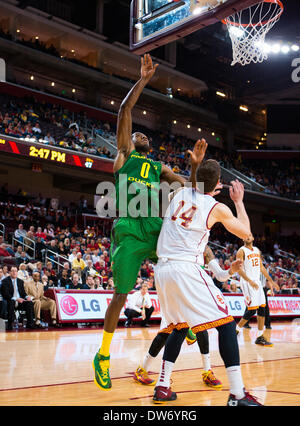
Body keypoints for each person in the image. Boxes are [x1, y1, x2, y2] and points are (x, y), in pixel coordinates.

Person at [93, 53, 207, 391]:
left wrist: (197, 165)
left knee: (185, 263)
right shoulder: (125, 156)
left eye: (144, 134)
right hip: (128, 228)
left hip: (154, 226)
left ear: (151, 145)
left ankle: (185, 321)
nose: (138, 133)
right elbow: (125, 111)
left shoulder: (158, 169)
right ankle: (102, 355)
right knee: (121, 294)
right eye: (135, 133)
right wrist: (143, 80)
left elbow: (191, 188)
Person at [152, 161, 262, 406]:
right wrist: (238, 201)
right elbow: (246, 233)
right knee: (226, 323)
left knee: (180, 327)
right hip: (185, 268)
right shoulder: (216, 207)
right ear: (218, 183)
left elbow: (191, 187)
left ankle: (162, 385)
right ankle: (237, 394)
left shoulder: (178, 192)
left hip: (162, 270)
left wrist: (200, 176)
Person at [134, 245, 242, 388]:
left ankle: (207, 371)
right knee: (167, 331)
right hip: (173, 280)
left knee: (201, 326)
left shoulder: (203, 245)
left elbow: (221, 275)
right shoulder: (172, 233)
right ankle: (144, 370)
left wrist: (230, 271)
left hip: (192, 286)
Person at [235, 235, 276, 346]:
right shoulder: (241, 251)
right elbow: (238, 269)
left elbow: (261, 267)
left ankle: (259, 337)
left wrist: (271, 280)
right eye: (245, 235)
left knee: (262, 307)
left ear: (253, 238)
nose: (247, 236)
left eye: (249, 235)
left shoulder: (257, 250)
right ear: (243, 239)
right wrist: (249, 281)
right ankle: (236, 330)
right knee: (252, 309)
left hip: (256, 282)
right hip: (247, 282)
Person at [0, 266, 35, 330]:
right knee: (11, 302)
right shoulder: (5, 281)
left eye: (15, 271)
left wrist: (27, 297)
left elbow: (23, 293)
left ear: (17, 272)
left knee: (29, 303)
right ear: (10, 272)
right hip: (10, 300)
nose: (14, 272)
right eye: (12, 271)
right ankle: (10, 324)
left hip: (20, 301)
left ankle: (30, 324)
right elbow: (6, 294)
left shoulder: (20, 281)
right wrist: (16, 299)